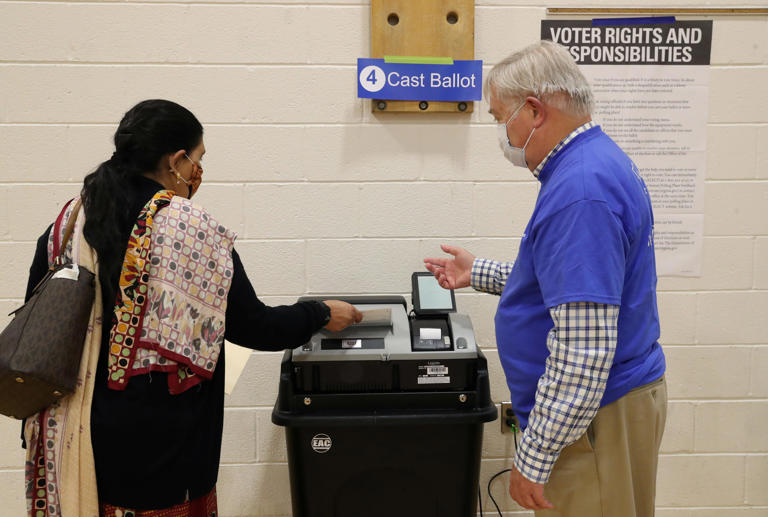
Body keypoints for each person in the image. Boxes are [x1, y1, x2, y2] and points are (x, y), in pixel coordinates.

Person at [22, 99, 362, 517]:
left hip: (72, 430)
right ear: (176, 160)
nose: (198, 172)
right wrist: (320, 313)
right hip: (160, 441)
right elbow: (256, 326)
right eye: (198, 159)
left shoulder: (68, 224)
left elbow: (37, 328)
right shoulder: (188, 227)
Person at [424, 41, 667, 517]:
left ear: (533, 111)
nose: (502, 133)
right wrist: (480, 273)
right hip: (615, 406)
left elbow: (583, 350)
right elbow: (571, 283)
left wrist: (533, 456)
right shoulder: (597, 162)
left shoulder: (579, 190)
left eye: (500, 118)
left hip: (599, 417)